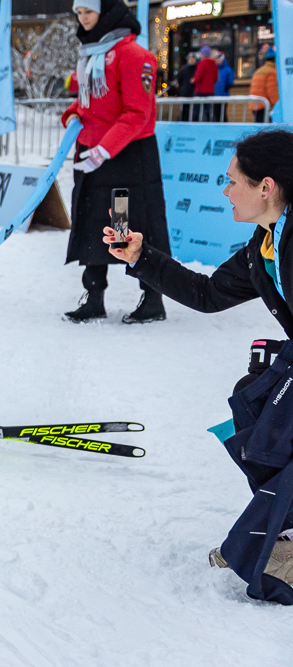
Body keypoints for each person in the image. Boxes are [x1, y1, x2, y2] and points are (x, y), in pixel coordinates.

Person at [103, 129, 293, 602]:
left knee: (278, 427)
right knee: (257, 424)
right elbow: (208, 295)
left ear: (265, 187)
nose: (225, 191)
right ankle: (278, 539)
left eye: (233, 182)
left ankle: (267, 546)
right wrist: (141, 257)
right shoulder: (266, 244)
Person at [60, 0, 171, 324]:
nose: (83, 20)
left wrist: (103, 150)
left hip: (127, 160)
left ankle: (152, 298)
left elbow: (138, 113)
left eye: (88, 13)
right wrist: (72, 117)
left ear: (106, 12)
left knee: (130, 228)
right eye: (79, 13)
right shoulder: (90, 54)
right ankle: (94, 297)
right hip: (94, 156)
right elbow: (88, 104)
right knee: (95, 224)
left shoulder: (135, 56)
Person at [249, 47, 279, 124]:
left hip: (256, 105)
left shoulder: (259, 70)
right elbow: (273, 92)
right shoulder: (272, 72)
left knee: (261, 129)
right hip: (265, 107)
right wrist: (278, 106)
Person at [192, 45, 218, 122]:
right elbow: (215, 78)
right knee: (208, 110)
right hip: (210, 90)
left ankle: (195, 123)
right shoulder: (214, 64)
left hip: (200, 90)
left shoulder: (202, 63)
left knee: (196, 109)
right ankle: (209, 123)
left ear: (203, 54)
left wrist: (193, 80)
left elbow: (198, 77)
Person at [176, 52, 198, 122]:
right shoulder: (184, 70)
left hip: (194, 93)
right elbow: (179, 80)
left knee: (195, 111)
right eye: (190, 59)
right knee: (185, 111)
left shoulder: (197, 70)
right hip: (185, 92)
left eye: (193, 58)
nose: (191, 60)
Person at [213, 52, 234, 122]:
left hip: (223, 94)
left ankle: (224, 127)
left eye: (218, 59)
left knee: (222, 113)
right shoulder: (214, 69)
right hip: (215, 95)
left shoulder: (227, 69)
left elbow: (230, 82)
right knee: (216, 113)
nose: (217, 61)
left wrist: (225, 88)